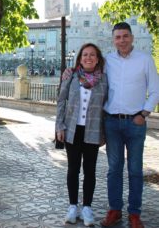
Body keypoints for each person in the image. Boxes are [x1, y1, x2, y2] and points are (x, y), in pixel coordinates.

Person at [100, 22, 159, 228]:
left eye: (125, 36)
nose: (122, 40)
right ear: (113, 39)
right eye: (118, 37)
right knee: (114, 169)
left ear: (132, 38)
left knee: (135, 170)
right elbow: (89, 74)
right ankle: (114, 210)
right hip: (112, 122)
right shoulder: (107, 60)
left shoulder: (144, 60)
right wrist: (69, 73)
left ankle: (135, 213)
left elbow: (155, 90)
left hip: (136, 122)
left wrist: (144, 114)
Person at [55, 43, 108, 227]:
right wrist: (59, 126)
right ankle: (72, 206)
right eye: (85, 54)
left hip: (93, 132)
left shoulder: (104, 80)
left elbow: (107, 107)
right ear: (80, 58)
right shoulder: (71, 76)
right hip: (72, 130)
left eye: (92, 55)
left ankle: (87, 208)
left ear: (98, 58)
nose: (88, 57)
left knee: (90, 171)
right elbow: (61, 101)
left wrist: (105, 133)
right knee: (73, 169)